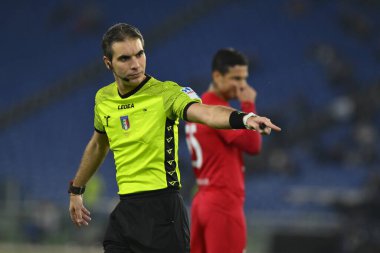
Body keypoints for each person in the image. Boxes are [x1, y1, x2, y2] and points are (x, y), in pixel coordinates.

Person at [68, 23, 281, 253]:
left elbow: (207, 112)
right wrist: (77, 190)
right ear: (108, 63)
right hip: (126, 211)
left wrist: (245, 118)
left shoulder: (166, 93)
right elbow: (99, 144)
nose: (136, 64)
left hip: (163, 212)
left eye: (140, 54)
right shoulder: (103, 99)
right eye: (125, 58)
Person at [185, 48, 262, 253]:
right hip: (222, 202)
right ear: (217, 76)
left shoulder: (199, 106)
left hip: (202, 199)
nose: (241, 85)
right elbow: (253, 145)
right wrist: (248, 103)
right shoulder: (218, 110)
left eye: (244, 78)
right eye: (235, 78)